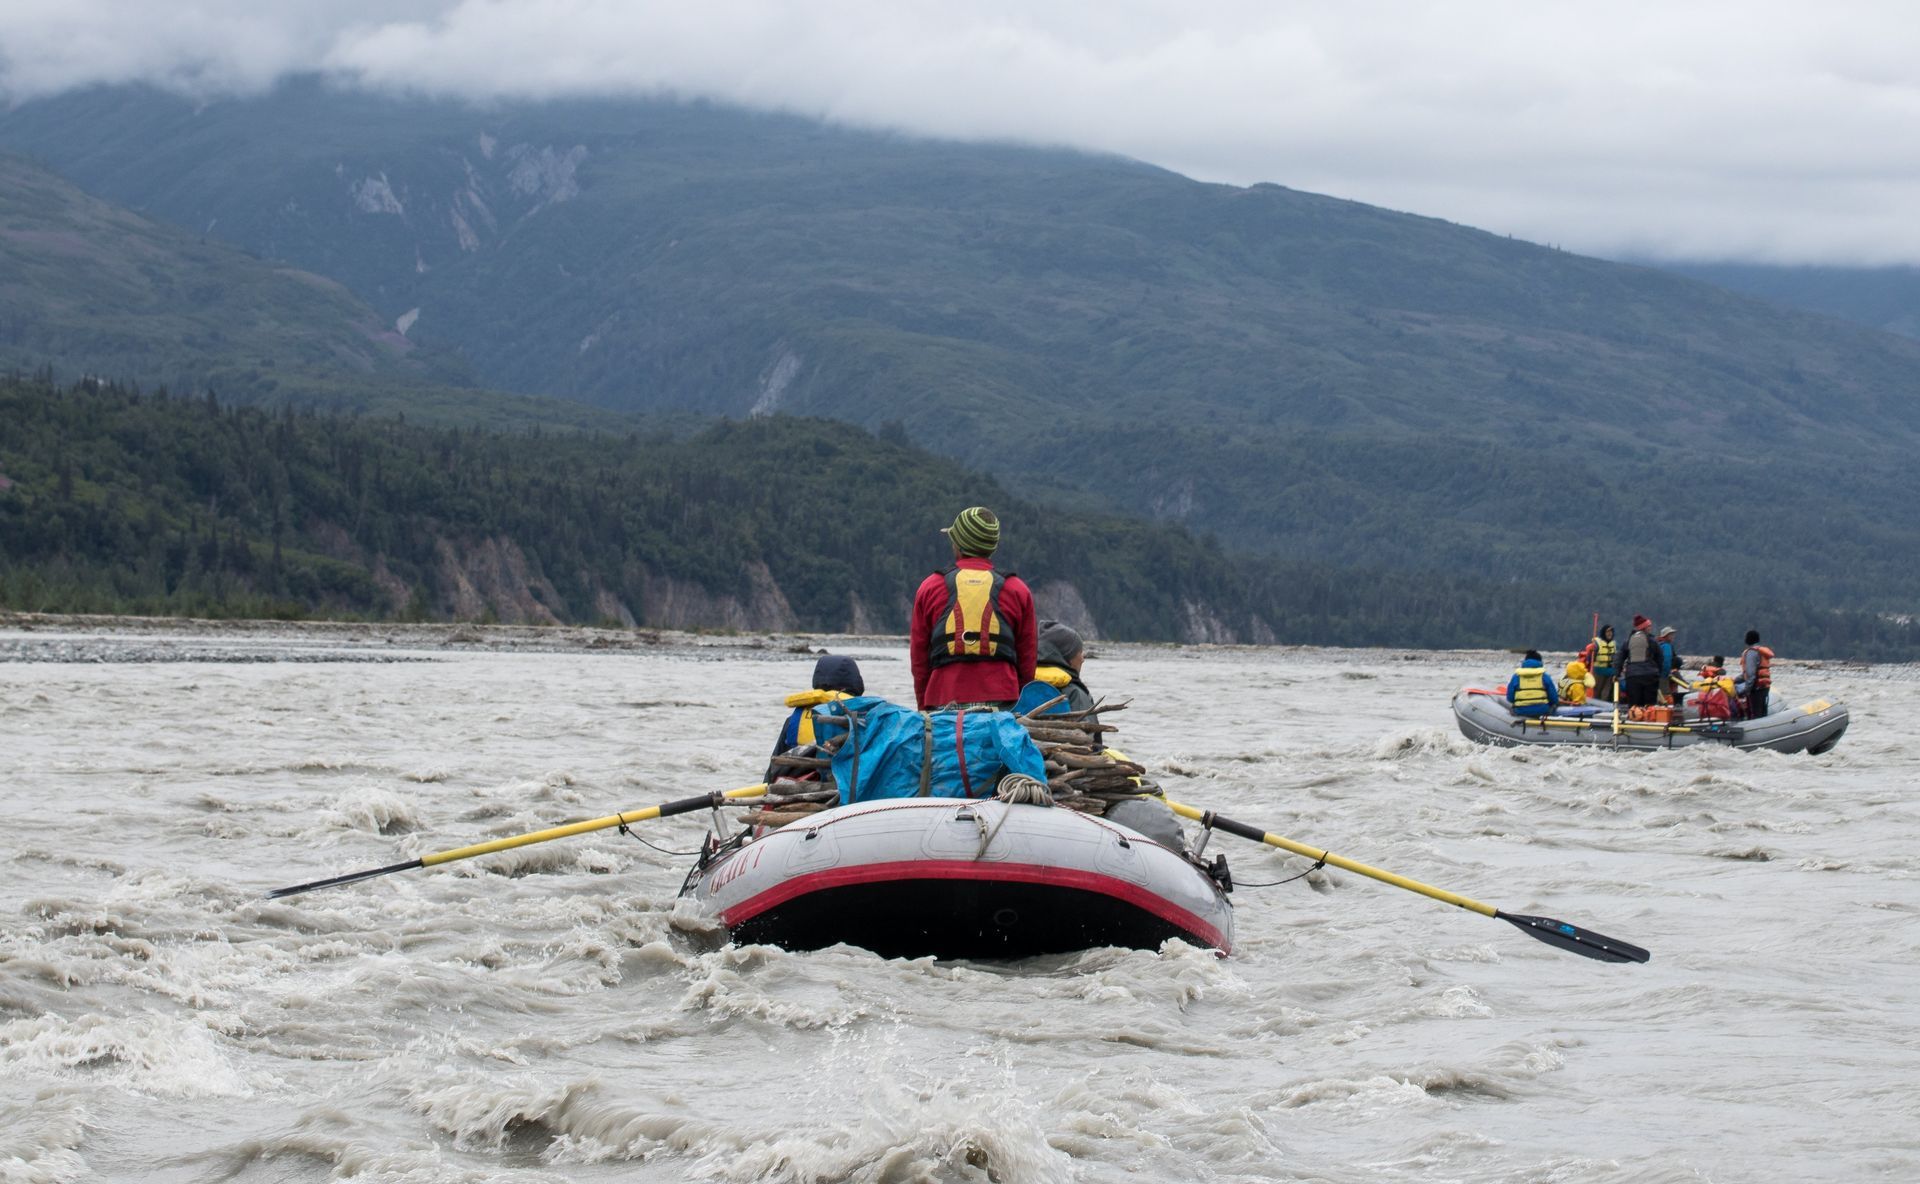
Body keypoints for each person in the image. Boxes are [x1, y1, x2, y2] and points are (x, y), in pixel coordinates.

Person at [909, 506, 1038, 710]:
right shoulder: (1017, 590)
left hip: (942, 697)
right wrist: (1020, 706)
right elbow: (1027, 661)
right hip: (1004, 699)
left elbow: (919, 659)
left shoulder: (930, 587)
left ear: (958, 545)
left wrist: (923, 706)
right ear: (992, 546)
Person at [770, 654, 864, 760]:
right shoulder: (862, 715)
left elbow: (776, 758)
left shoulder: (794, 718)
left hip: (798, 771)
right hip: (842, 772)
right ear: (855, 682)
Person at [1030, 620, 1094, 713]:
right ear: (1067, 656)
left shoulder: (1023, 685)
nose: (1082, 659)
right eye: (1079, 652)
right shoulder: (1075, 694)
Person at [1619, 615, 1662, 709]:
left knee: (1634, 707)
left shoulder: (1628, 641)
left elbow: (1620, 658)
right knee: (1650, 706)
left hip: (1632, 677)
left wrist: (1617, 673)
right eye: (1649, 626)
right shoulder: (1652, 641)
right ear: (1644, 628)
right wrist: (1658, 672)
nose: (1650, 628)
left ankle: (1634, 718)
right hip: (1650, 676)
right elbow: (1660, 657)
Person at [1505, 650, 1560, 717]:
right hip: (1543, 711)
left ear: (1525, 661)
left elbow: (1510, 698)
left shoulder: (1516, 676)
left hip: (1521, 711)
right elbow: (1554, 699)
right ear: (1540, 662)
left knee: (1511, 710)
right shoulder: (1545, 676)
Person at [1737, 629, 1774, 719]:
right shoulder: (1760, 651)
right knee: (1762, 712)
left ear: (1749, 639)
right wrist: (1734, 680)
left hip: (1756, 688)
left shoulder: (1751, 653)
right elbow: (1749, 674)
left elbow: (1750, 674)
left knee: (1756, 714)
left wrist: (1746, 690)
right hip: (1764, 687)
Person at [1581, 624, 1618, 702]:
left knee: (1606, 691)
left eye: (1611, 631)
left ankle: (1605, 705)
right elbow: (1590, 658)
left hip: (1610, 671)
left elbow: (1616, 657)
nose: (1609, 633)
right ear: (1604, 632)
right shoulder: (1597, 643)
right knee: (1597, 690)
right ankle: (1596, 703)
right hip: (1599, 670)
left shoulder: (1613, 644)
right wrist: (1591, 651)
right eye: (1608, 631)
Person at [1656, 626, 1684, 705]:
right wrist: (1666, 673)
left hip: (1658, 675)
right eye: (1671, 634)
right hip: (1663, 676)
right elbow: (1666, 661)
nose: (1673, 636)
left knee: (1660, 695)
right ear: (1666, 636)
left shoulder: (1659, 645)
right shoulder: (1666, 646)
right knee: (1666, 696)